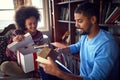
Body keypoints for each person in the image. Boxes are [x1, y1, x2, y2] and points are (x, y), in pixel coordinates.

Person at [39, 2, 120, 80]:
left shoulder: (107, 45)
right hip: (82, 77)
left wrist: (59, 73)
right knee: (44, 64)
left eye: (80, 21)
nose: (76, 25)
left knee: (53, 71)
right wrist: (62, 50)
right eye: (76, 21)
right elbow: (78, 46)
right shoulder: (85, 35)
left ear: (93, 19)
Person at [0, 6, 45, 77]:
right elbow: (8, 54)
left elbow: (42, 52)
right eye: (30, 24)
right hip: (18, 63)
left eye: (35, 23)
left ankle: (30, 74)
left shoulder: (39, 34)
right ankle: (30, 74)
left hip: (34, 63)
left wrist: (44, 50)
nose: (33, 26)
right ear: (24, 24)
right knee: (4, 66)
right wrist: (13, 41)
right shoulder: (17, 33)